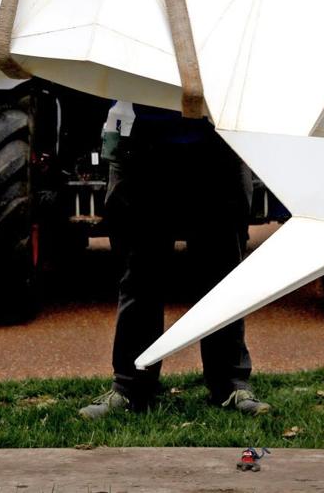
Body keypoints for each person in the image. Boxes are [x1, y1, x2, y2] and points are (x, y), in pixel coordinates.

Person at [80, 104, 269, 419]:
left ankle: (230, 383)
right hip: (140, 143)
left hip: (218, 141)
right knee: (140, 276)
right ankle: (130, 387)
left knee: (223, 275)